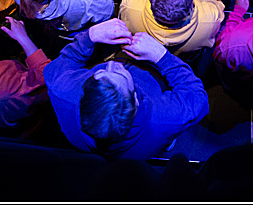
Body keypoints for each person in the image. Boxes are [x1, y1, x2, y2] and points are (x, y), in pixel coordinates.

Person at [43, 18, 208, 160]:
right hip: (152, 130)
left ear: (83, 97)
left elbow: (58, 66)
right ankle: (165, 140)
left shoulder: (62, 90)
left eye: (100, 73)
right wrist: (162, 57)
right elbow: (197, 96)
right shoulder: (164, 118)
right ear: (136, 100)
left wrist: (90, 36)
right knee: (166, 133)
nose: (111, 63)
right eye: (120, 74)